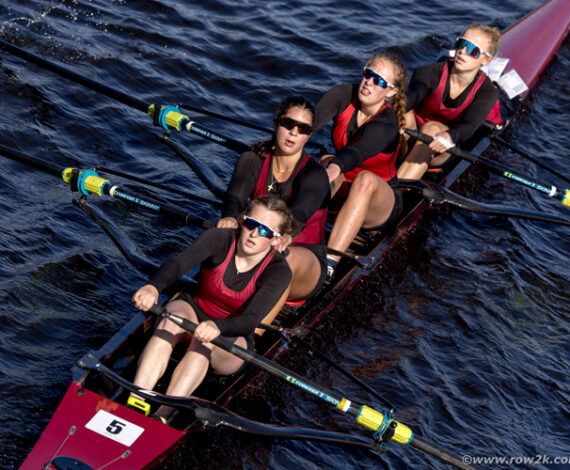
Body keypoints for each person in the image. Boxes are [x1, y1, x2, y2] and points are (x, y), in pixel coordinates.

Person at [129, 197, 299, 423]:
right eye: (250, 224)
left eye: (265, 231)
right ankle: (136, 400)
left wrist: (217, 326)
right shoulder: (219, 239)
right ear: (241, 221)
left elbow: (250, 320)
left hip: (232, 337)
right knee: (170, 319)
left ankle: (161, 417)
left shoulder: (279, 272)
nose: (254, 234)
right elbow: (178, 264)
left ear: (276, 239)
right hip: (193, 312)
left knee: (205, 341)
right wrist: (153, 286)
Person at [218, 96, 330, 308]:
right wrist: (231, 218)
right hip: (258, 246)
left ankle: (251, 334)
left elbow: (300, 214)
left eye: (303, 129)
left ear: (309, 135)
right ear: (276, 123)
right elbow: (234, 197)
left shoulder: (314, 175)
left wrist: (286, 235)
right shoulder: (252, 159)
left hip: (303, 260)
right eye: (289, 124)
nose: (294, 133)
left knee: (280, 260)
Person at [314, 52, 409, 278]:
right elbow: (310, 123)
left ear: (391, 92)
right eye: (368, 74)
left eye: (379, 81)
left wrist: (336, 167)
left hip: (379, 204)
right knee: (323, 161)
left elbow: (358, 151)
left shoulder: (387, 122)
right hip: (344, 188)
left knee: (362, 178)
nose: (369, 82)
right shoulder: (343, 94)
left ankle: (329, 262)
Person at [397, 23, 502, 181]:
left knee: (431, 129)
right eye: (461, 43)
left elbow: (470, 127)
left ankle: (397, 190)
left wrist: (449, 136)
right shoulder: (429, 72)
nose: (462, 52)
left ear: (486, 60)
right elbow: (409, 100)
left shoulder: (487, 92)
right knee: (399, 114)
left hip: (441, 147)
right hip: (409, 134)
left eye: (473, 50)